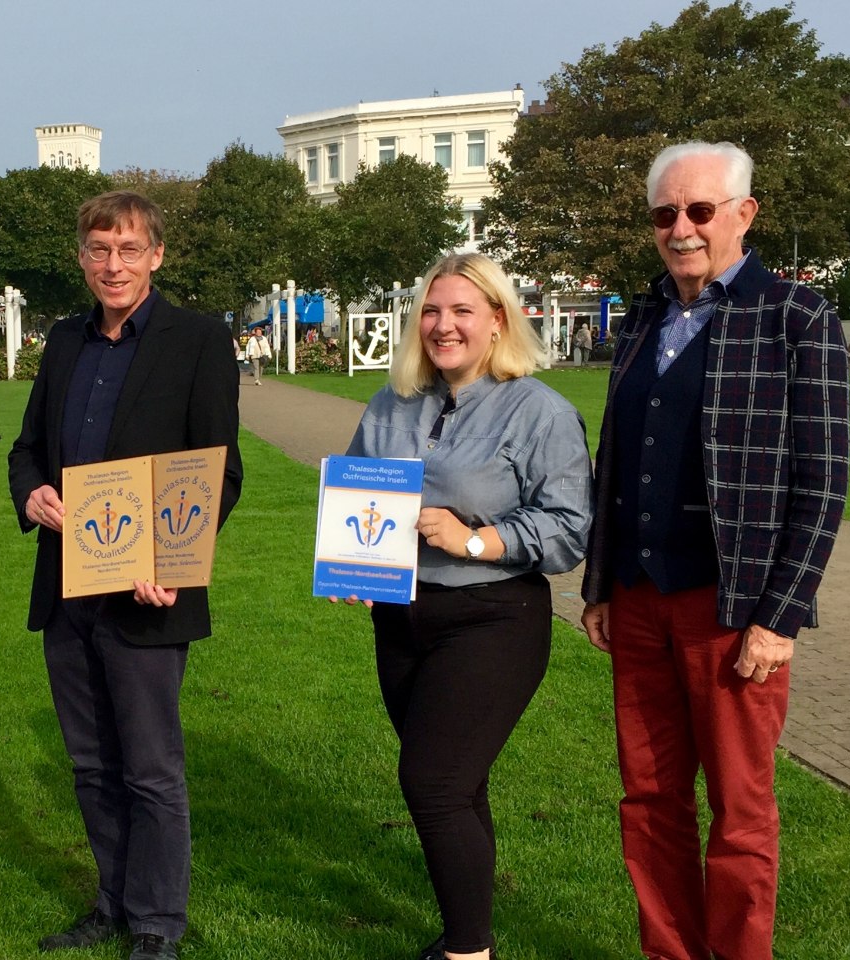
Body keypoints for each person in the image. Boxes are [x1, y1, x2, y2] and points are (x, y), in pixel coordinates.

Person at [579, 141, 849, 960]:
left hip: (734, 610)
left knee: (739, 809)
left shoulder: (794, 317)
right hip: (637, 597)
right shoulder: (643, 317)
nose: (682, 229)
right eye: (666, 214)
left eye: (699, 211)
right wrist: (598, 582)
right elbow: (618, 457)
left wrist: (782, 615)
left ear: (743, 214)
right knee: (650, 800)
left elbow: (824, 478)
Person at [336, 253, 591, 960]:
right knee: (459, 785)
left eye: (461, 312)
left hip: (492, 618)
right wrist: (356, 560)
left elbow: (571, 529)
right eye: (431, 311)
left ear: (498, 321)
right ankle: (467, 934)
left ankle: (468, 953)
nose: (443, 326)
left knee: (432, 781)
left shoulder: (539, 410)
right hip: (401, 618)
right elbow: (360, 489)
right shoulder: (393, 400)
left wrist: (477, 539)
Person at [7, 191, 242, 960]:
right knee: (90, 765)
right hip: (67, 581)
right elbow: (27, 449)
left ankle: (156, 924)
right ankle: (110, 902)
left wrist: (171, 561)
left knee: (149, 768)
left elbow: (220, 471)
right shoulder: (65, 340)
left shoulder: (199, 340)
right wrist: (32, 491)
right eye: (100, 250)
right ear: (82, 256)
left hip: (148, 590)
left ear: (157, 256)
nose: (114, 265)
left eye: (130, 249)